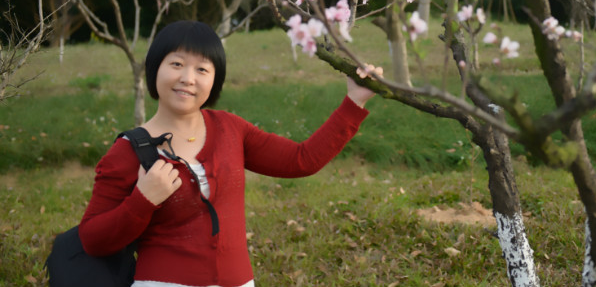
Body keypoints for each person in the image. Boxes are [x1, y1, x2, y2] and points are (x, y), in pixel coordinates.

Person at [78, 20, 375, 287]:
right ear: (155, 68)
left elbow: (302, 159)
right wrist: (142, 201)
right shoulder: (127, 151)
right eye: (177, 64)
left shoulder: (230, 129)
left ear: (214, 80)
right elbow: (92, 240)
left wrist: (355, 101)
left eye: (202, 69)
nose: (188, 78)